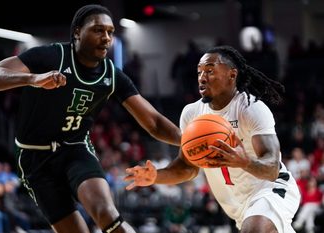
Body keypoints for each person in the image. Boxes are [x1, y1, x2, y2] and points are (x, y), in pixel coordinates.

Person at [0, 4, 181, 233]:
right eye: (98, 30)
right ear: (77, 32)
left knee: (108, 215)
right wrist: (31, 78)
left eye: (110, 32)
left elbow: (153, 122)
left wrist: (187, 141)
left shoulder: (111, 74)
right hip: (34, 157)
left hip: (75, 149)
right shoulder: (51, 56)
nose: (106, 38)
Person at [124, 45, 301, 233]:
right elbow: (187, 168)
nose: (202, 77)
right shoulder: (191, 113)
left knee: (254, 229)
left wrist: (245, 162)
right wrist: (155, 177)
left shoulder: (250, 108)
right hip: (239, 206)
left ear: (232, 75)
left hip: (271, 190)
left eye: (209, 70)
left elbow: (272, 168)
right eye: (199, 71)